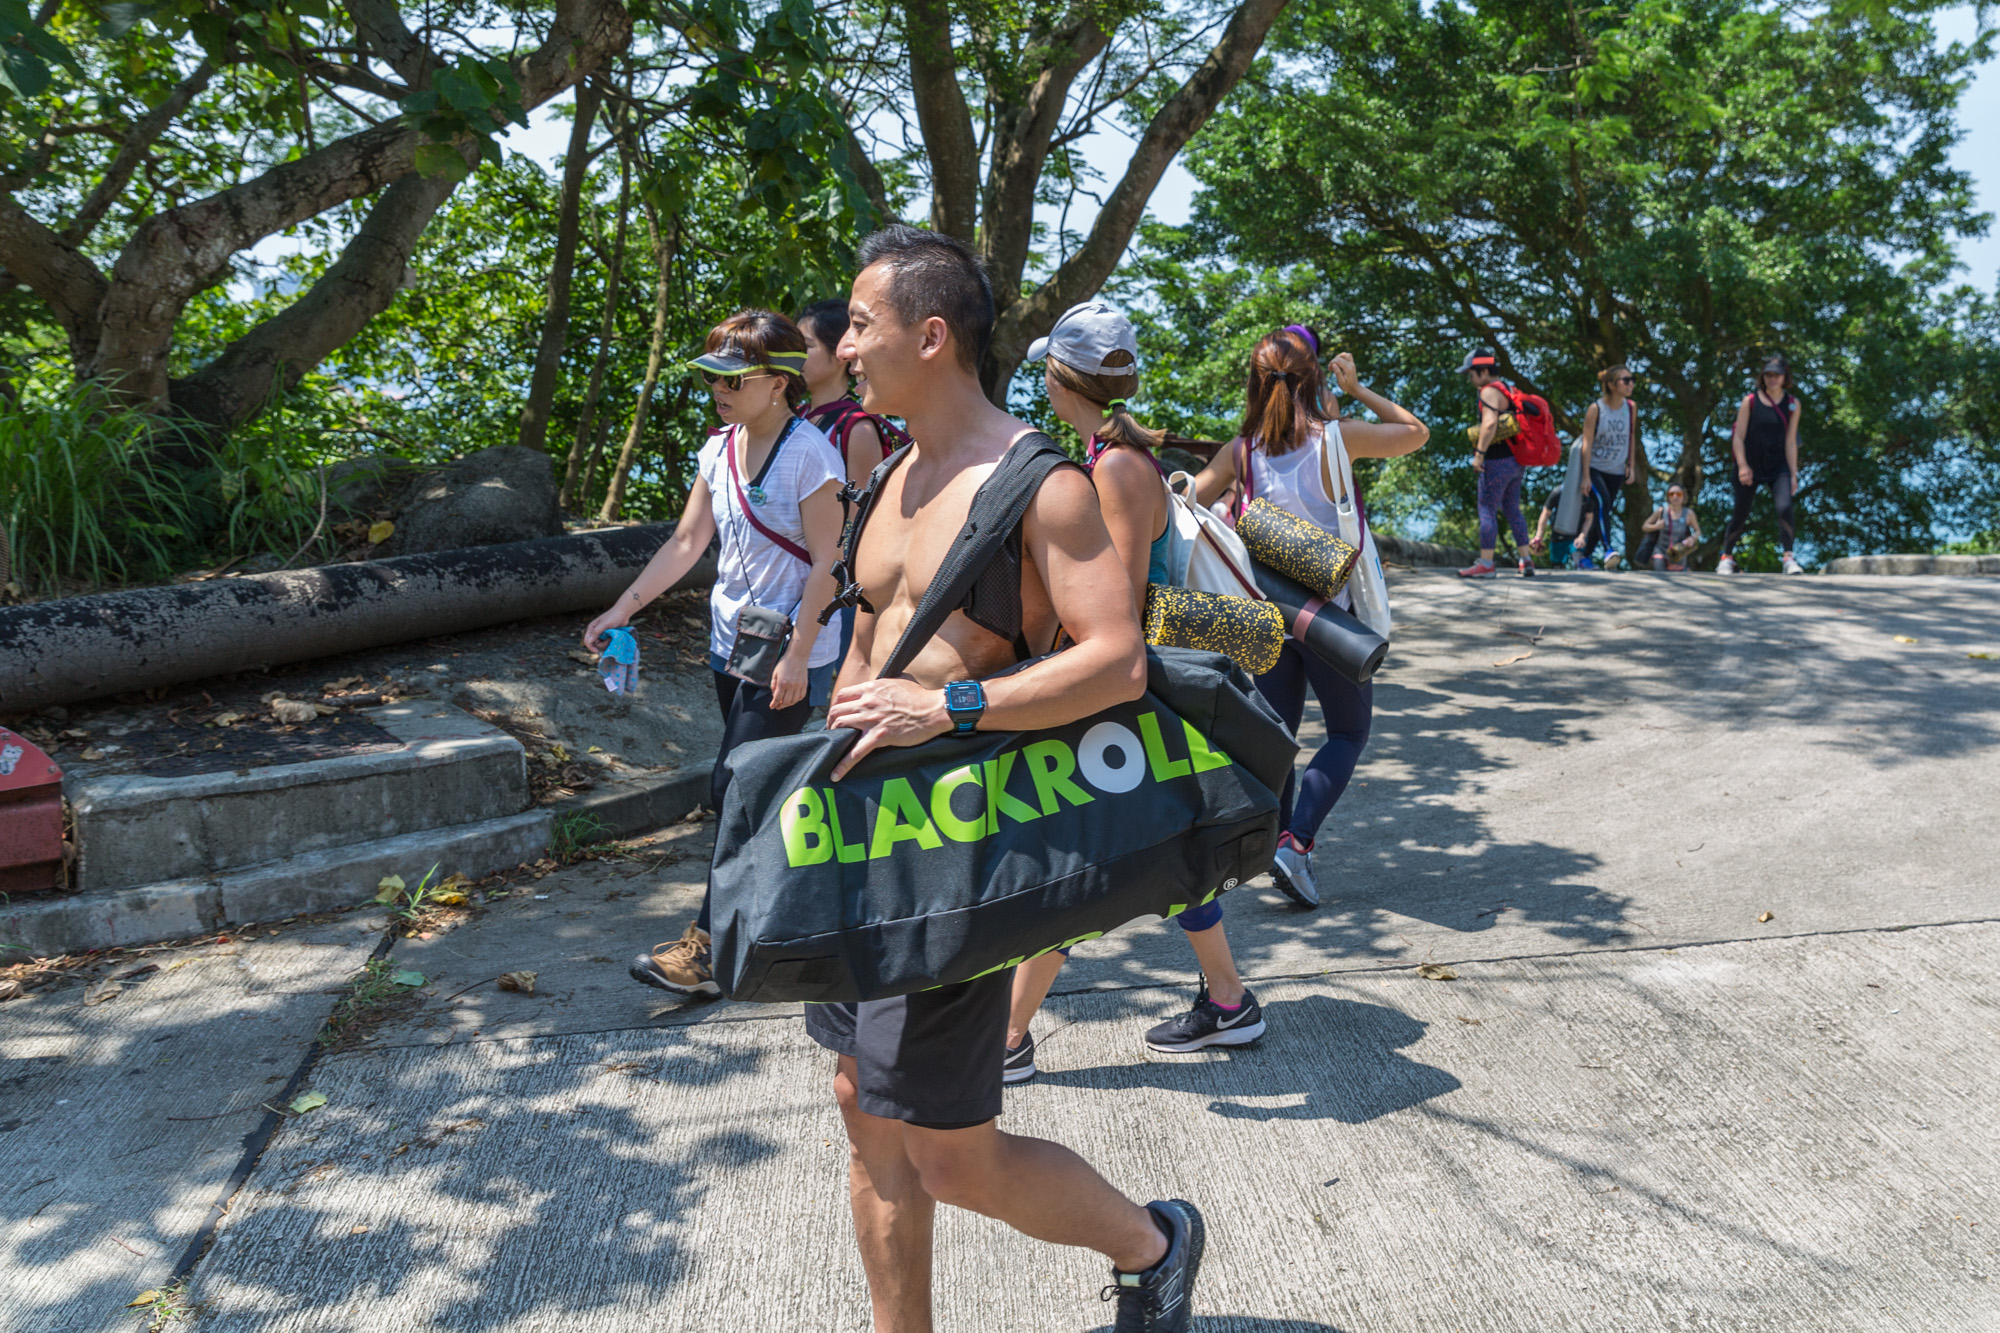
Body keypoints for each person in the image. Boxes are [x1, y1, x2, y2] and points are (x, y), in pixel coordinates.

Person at [817, 224, 1205, 1333]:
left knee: (951, 1155)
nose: (843, 347)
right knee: (860, 1105)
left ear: (931, 335)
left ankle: (1152, 1243)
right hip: (862, 840)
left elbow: (1116, 660)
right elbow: (868, 640)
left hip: (961, 844)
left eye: (861, 324)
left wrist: (944, 708)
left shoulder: (1045, 487)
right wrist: (829, 752)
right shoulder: (886, 475)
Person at [1000, 300, 1265, 1082]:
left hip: (1126, 695)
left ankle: (1005, 1039)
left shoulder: (1114, 468)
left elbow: (1118, 605)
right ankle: (1228, 1000)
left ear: (1059, 379)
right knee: (1165, 852)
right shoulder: (1115, 457)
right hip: (1143, 693)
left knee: (1080, 854)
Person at [586, 310, 846, 999]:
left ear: (779, 382)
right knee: (758, 794)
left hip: (790, 650)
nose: (719, 390)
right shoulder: (718, 450)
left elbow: (830, 562)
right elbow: (686, 542)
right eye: (713, 378)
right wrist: (623, 608)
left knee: (734, 790)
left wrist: (800, 654)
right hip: (732, 644)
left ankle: (703, 950)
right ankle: (806, 915)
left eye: (734, 380)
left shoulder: (811, 456)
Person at [1193, 327, 1428, 911]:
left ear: (1255, 384)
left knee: (1279, 738)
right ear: (1315, 378)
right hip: (1328, 617)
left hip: (1268, 615)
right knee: (1348, 733)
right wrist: (1358, 389)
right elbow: (1415, 433)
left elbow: (1185, 504)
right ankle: (1295, 845)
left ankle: (1273, 843)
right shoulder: (1337, 440)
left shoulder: (1240, 453)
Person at [1719, 357, 1805, 575]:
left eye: (1776, 375)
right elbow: (1738, 437)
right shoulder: (1750, 401)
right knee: (1741, 511)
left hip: (1778, 465)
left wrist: (1793, 474)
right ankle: (1726, 557)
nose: (1772, 378)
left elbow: (1791, 442)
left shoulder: (1793, 404)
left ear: (1785, 377)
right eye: (1768, 374)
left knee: (1784, 507)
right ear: (1763, 377)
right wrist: (1742, 466)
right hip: (1750, 463)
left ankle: (1788, 558)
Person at [797, 298, 896, 484]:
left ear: (840, 354)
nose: (797, 356)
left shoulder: (858, 428)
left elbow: (863, 502)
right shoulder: (794, 415)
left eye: (807, 346)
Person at [1454, 349, 1531, 578]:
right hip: (1515, 461)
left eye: (1471, 374)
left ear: (1484, 371)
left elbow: (1489, 424)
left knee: (1487, 509)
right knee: (1512, 509)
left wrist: (1479, 454)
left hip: (1496, 460)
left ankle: (1486, 563)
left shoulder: (1489, 391)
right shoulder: (1508, 389)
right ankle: (1526, 559)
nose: (1470, 379)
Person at [1577, 365, 1642, 570]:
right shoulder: (1595, 409)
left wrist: (1631, 465)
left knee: (1603, 511)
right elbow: (1586, 444)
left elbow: (1631, 436)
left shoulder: (1631, 407)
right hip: (1595, 468)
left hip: (1617, 470)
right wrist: (1585, 476)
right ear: (1612, 385)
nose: (1631, 384)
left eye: (1632, 379)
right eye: (1626, 380)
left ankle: (1584, 557)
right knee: (1603, 503)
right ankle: (1608, 549)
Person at [1641, 483, 1701, 570]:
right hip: (1660, 551)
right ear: (1668, 496)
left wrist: (1692, 538)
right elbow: (1645, 526)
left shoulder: (1689, 514)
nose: (1675, 496)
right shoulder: (1661, 511)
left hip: (1678, 553)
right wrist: (1656, 526)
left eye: (1679, 494)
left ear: (1684, 496)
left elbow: (1698, 531)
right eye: (1671, 494)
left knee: (1676, 577)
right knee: (1661, 575)